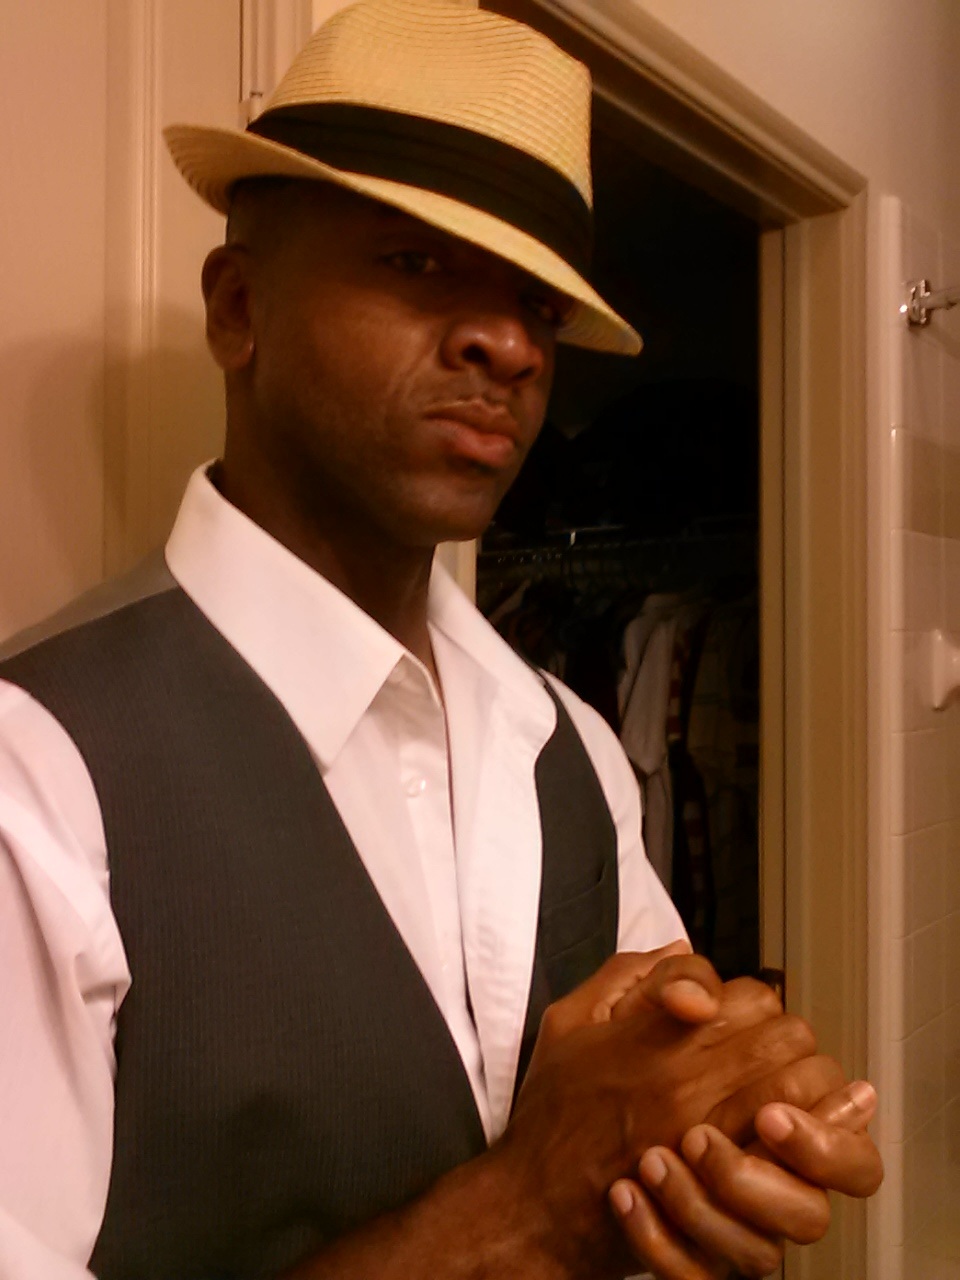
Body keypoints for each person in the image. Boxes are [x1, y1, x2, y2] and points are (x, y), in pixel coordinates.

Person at [0, 2, 881, 1277]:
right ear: (239, 308)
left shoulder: (572, 745)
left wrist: (739, 1119)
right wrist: (525, 1207)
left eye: (539, 305)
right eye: (416, 262)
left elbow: (657, 1097)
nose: (510, 345)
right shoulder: (39, 770)